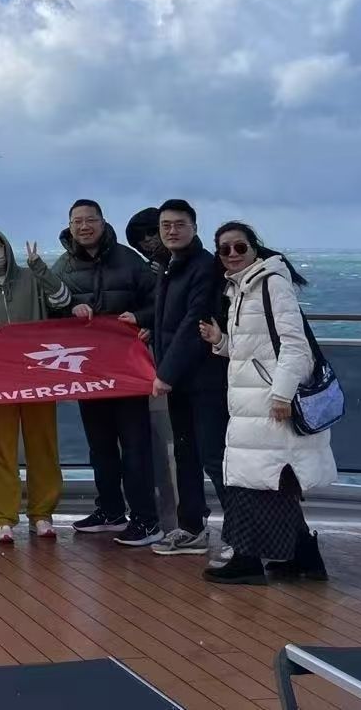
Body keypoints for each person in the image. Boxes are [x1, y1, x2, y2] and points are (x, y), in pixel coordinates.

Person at [199, 223, 334, 584]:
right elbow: (252, 351)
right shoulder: (239, 288)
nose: (232, 254)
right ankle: (302, 558)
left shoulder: (271, 281)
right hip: (250, 402)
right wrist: (221, 341)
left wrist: (281, 394)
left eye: (239, 247)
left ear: (254, 248)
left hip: (268, 403)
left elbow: (296, 346)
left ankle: (247, 560)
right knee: (273, 482)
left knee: (254, 484)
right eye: (224, 249)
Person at [49, 200, 162, 547]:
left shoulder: (131, 261)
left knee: (135, 446)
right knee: (99, 447)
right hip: (88, 371)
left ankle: (146, 519)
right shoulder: (62, 267)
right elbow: (50, 313)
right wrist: (69, 309)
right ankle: (110, 510)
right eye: (77, 221)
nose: (84, 226)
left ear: (102, 222)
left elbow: (159, 303)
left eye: (90, 220)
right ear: (69, 226)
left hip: (128, 371)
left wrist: (142, 322)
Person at [0, 230, 72, 542]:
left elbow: (63, 300)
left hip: (38, 377)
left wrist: (40, 267)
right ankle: (2, 517)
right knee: (0, 447)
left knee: (43, 444)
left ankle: (42, 513)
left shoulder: (32, 277)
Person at [151, 199, 231, 559]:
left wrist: (165, 373)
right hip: (181, 380)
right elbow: (165, 321)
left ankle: (241, 532)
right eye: (166, 225)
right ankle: (192, 528)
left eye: (179, 224)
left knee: (215, 456)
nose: (172, 230)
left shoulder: (203, 266)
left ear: (194, 228)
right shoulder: (171, 266)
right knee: (186, 454)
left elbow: (194, 322)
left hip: (205, 380)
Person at [126, 207, 182, 539]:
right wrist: (147, 322)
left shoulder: (190, 267)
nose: (148, 244)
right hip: (156, 372)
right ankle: (166, 522)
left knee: (172, 451)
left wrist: (151, 324)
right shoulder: (157, 270)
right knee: (159, 450)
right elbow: (156, 310)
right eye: (141, 241)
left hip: (178, 373)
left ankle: (178, 523)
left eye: (150, 235)